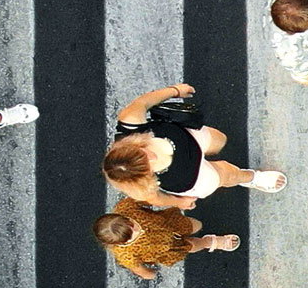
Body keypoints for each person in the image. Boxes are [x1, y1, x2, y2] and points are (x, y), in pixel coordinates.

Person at [104, 83, 283, 209]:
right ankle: (252, 178)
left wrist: (174, 91)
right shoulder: (139, 188)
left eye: (142, 152)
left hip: (189, 137)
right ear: (139, 177)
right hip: (192, 177)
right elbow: (156, 199)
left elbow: (142, 103)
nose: (151, 157)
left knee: (220, 140)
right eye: (146, 166)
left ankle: (212, 157)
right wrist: (179, 202)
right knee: (227, 173)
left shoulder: (130, 124)